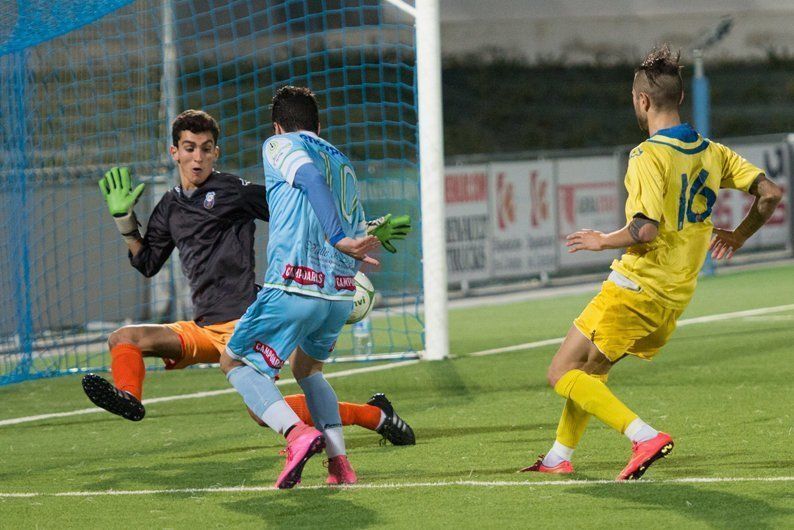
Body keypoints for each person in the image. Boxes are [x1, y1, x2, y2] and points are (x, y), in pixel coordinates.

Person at [522, 45, 783, 480]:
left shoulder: (646, 155)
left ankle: (643, 435)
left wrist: (602, 240)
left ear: (642, 100)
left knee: (561, 372)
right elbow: (770, 193)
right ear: (680, 98)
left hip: (635, 288)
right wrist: (738, 235)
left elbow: (645, 230)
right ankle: (557, 457)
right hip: (674, 298)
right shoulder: (713, 152)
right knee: (592, 369)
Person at [81, 109, 415, 447]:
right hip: (205, 326)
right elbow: (147, 262)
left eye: (206, 148)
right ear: (174, 153)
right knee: (124, 338)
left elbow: (301, 209)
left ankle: (376, 416)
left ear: (216, 153)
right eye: (189, 148)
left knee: (263, 413)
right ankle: (128, 398)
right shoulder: (169, 205)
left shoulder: (232, 191)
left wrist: (362, 230)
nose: (198, 157)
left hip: (244, 321)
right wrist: (125, 220)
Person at [220, 86, 383, 488]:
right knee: (307, 370)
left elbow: (307, 177)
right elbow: (352, 218)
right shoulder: (340, 159)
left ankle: (296, 435)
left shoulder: (279, 144)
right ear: (318, 125)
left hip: (295, 284)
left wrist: (339, 239)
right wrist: (353, 249)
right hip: (339, 292)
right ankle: (340, 464)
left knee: (235, 363)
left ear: (278, 125)